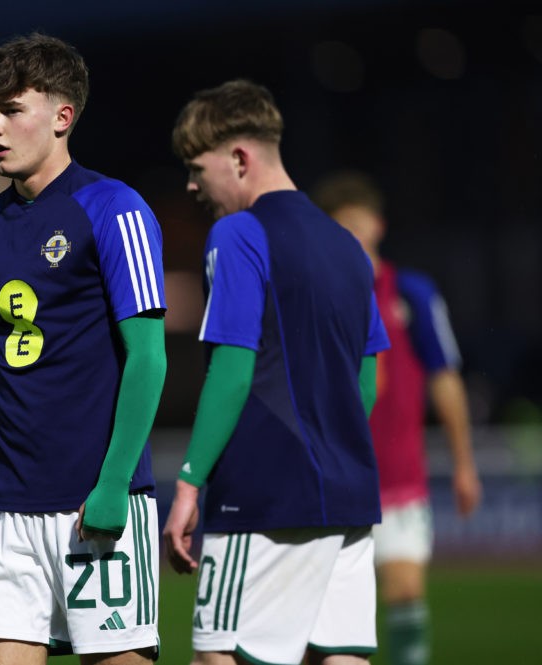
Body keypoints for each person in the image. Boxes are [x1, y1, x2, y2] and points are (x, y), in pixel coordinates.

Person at [0, 33, 167, 665]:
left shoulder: (116, 209)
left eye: (10, 110)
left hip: (95, 505)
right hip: (2, 514)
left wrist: (116, 483)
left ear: (63, 118)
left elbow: (148, 357)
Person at [161, 80, 391, 665]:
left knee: (220, 658)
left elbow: (233, 371)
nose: (192, 185)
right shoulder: (347, 247)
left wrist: (188, 483)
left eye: (196, 167)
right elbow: (363, 383)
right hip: (349, 497)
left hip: (264, 500)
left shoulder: (237, 234)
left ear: (240, 158)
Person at [311, 170, 482, 665]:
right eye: (341, 228)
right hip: (335, 475)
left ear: (378, 226)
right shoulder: (317, 293)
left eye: (358, 227)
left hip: (400, 474)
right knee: (322, 616)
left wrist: (465, 463)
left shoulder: (412, 293)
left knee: (405, 591)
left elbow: (445, 379)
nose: (353, 238)